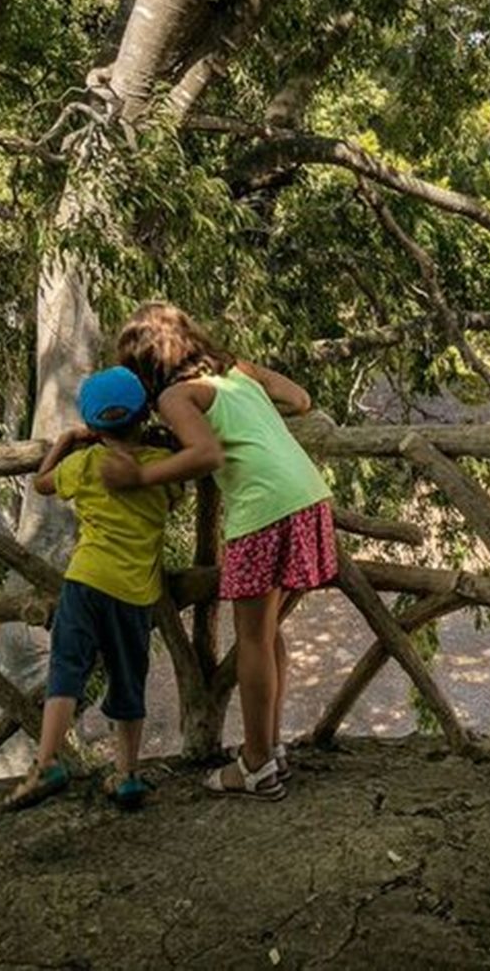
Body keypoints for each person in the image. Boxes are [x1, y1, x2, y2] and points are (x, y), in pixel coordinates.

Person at [109, 301, 336, 802]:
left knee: (252, 638)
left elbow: (205, 454)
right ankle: (269, 749)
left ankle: (254, 764)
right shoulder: (237, 373)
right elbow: (299, 399)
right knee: (268, 630)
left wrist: (140, 475)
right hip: (307, 495)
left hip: (263, 508)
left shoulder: (176, 397)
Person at [4, 365, 180, 813]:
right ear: (143, 417)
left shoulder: (84, 464)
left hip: (85, 581)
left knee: (67, 666)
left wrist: (64, 444)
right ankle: (126, 775)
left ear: (94, 428)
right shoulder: (162, 469)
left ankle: (46, 762)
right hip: (135, 594)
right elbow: (178, 495)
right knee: (128, 679)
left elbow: (41, 484)